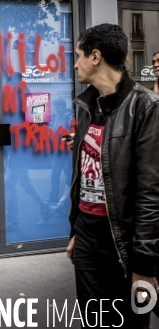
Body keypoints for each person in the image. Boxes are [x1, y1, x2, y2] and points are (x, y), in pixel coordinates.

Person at [65, 24, 159, 328]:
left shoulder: (145, 107)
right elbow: (84, 177)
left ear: (96, 56)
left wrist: (144, 264)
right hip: (87, 236)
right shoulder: (86, 106)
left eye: (78, 56)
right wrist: (77, 231)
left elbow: (151, 192)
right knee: (95, 322)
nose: (74, 63)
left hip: (124, 242)